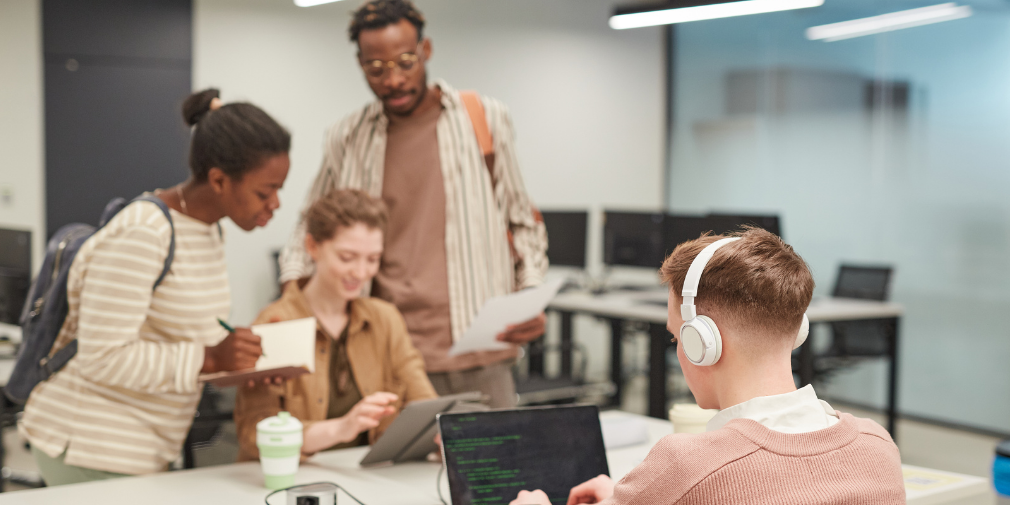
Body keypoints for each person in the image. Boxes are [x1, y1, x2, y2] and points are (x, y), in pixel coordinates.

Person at [278, 0, 548, 408]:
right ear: (360, 64)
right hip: (383, 351)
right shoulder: (347, 136)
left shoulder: (484, 118)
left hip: (480, 349)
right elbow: (309, 224)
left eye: (406, 62)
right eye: (377, 69)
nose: (394, 80)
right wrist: (291, 294)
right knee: (390, 470)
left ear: (426, 51)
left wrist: (530, 294)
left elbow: (522, 220)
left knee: (490, 469)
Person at [509, 228, 906, 505]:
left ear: (705, 345)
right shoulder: (877, 447)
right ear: (797, 330)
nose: (678, 351)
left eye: (677, 338)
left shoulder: (685, 466)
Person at [18, 89, 291, 485]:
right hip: (91, 444)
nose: (276, 204)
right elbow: (103, 358)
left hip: (145, 445)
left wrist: (241, 364)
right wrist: (212, 359)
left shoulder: (209, 228)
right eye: (265, 192)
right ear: (218, 180)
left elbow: (183, 332)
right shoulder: (144, 233)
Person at [234, 189, 437, 460]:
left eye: (373, 259)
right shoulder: (274, 324)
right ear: (313, 247)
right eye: (347, 257)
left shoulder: (385, 319)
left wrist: (442, 437)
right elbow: (255, 435)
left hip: (371, 480)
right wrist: (341, 428)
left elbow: (424, 403)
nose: (361, 272)